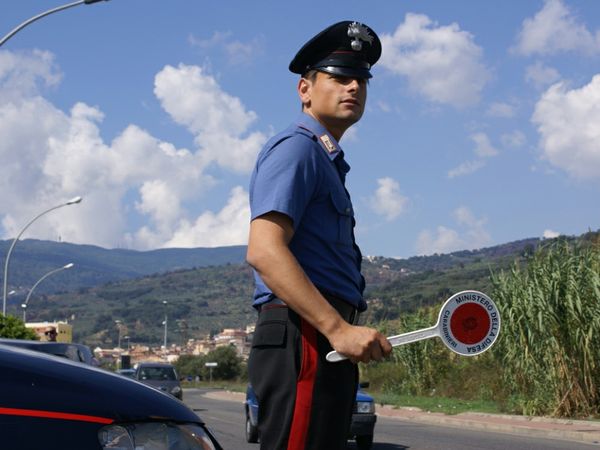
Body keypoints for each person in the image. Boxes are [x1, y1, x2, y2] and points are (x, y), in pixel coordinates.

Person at [246, 20, 392, 450]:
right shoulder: (298, 148)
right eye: (339, 77)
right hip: (306, 334)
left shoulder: (324, 158)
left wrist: (341, 330)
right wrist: (336, 328)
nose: (354, 87)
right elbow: (265, 250)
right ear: (304, 89)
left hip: (320, 334)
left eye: (362, 79)